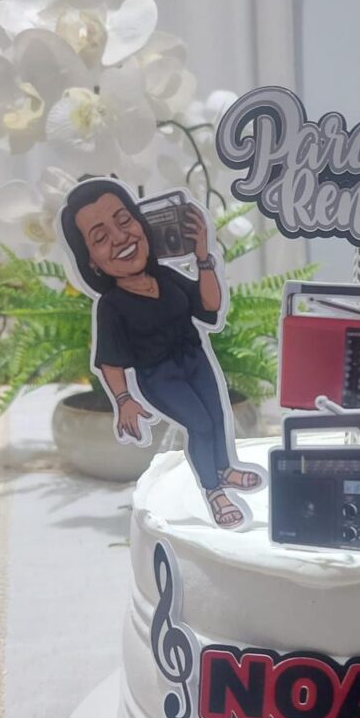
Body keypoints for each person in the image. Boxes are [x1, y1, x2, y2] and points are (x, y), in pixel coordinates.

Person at [61, 179, 261, 528]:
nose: (120, 237)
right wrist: (124, 399)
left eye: (124, 221)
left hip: (196, 359)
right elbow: (110, 360)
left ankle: (225, 468)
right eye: (100, 237)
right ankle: (214, 491)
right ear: (91, 262)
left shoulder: (167, 275)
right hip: (158, 377)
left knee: (217, 416)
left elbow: (210, 306)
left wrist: (203, 257)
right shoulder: (111, 306)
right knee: (200, 425)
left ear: (142, 224)